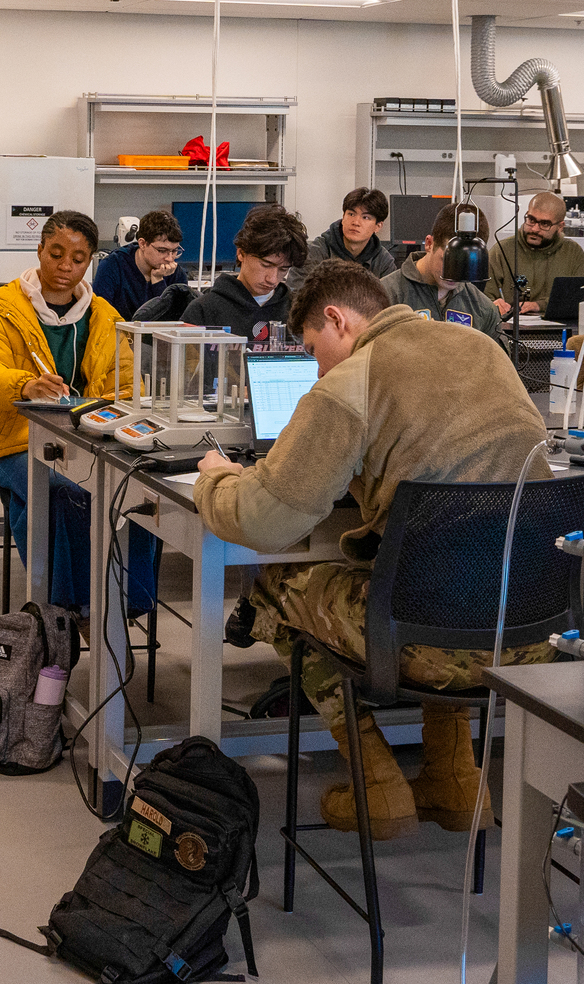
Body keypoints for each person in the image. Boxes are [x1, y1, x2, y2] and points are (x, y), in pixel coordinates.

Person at [194, 262, 551, 837]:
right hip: (529, 635)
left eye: (313, 350)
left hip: (424, 639)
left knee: (275, 586)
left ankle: (377, 782)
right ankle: (455, 778)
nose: (315, 368)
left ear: (336, 320)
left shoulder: (348, 384)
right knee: (447, 576)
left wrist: (215, 477)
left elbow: (265, 520)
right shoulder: (481, 346)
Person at [0, 210, 159, 616]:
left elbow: (129, 387)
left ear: (90, 261)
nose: (65, 268)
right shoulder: (1, 310)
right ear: (39, 250)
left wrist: (107, 414)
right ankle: (74, 608)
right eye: (55, 254)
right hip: (13, 442)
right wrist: (24, 385)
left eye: (78, 259)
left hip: (86, 440)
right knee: (64, 491)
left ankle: (132, 601)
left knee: (139, 492)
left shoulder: (105, 316)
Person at [381, 200, 507, 347]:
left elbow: (497, 367)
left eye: (464, 263)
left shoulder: (483, 309)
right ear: (429, 244)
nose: (455, 272)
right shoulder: (385, 296)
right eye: (449, 260)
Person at [180, 203, 309, 336]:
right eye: (266, 265)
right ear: (241, 253)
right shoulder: (203, 311)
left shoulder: (300, 312)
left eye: (283, 269)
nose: (272, 279)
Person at [486, 191, 584, 318]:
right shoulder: (501, 251)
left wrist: (539, 306)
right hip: (509, 331)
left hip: (559, 331)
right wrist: (492, 304)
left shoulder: (573, 253)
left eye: (544, 224)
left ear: (560, 226)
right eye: (531, 220)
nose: (535, 229)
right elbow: (480, 296)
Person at [287, 187, 396, 293]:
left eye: (365, 217)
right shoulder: (315, 252)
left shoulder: (384, 262)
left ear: (378, 226)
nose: (356, 222)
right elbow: (297, 298)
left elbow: (389, 305)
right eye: (351, 214)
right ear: (343, 217)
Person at [92, 209, 188, 320]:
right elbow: (100, 316)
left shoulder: (176, 273)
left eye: (175, 251)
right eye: (162, 250)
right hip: (119, 335)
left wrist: (158, 281)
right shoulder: (112, 266)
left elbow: (173, 324)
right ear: (142, 244)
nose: (170, 258)